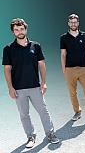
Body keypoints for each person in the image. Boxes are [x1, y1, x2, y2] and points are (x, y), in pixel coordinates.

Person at [2, 18, 60, 148]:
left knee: (43, 111)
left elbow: (42, 65)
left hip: (34, 86)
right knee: (24, 114)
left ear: (26, 29)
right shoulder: (8, 49)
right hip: (18, 88)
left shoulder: (35, 46)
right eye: (16, 30)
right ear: (13, 32)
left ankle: (50, 134)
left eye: (21, 29)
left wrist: (43, 82)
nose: (19, 31)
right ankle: (30, 136)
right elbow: (7, 69)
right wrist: (10, 88)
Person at [60, 14, 85, 124]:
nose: (73, 24)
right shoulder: (63, 37)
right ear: (68, 23)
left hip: (83, 69)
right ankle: (77, 112)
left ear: (78, 23)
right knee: (72, 92)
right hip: (70, 69)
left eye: (75, 22)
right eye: (71, 22)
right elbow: (63, 54)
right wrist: (64, 69)